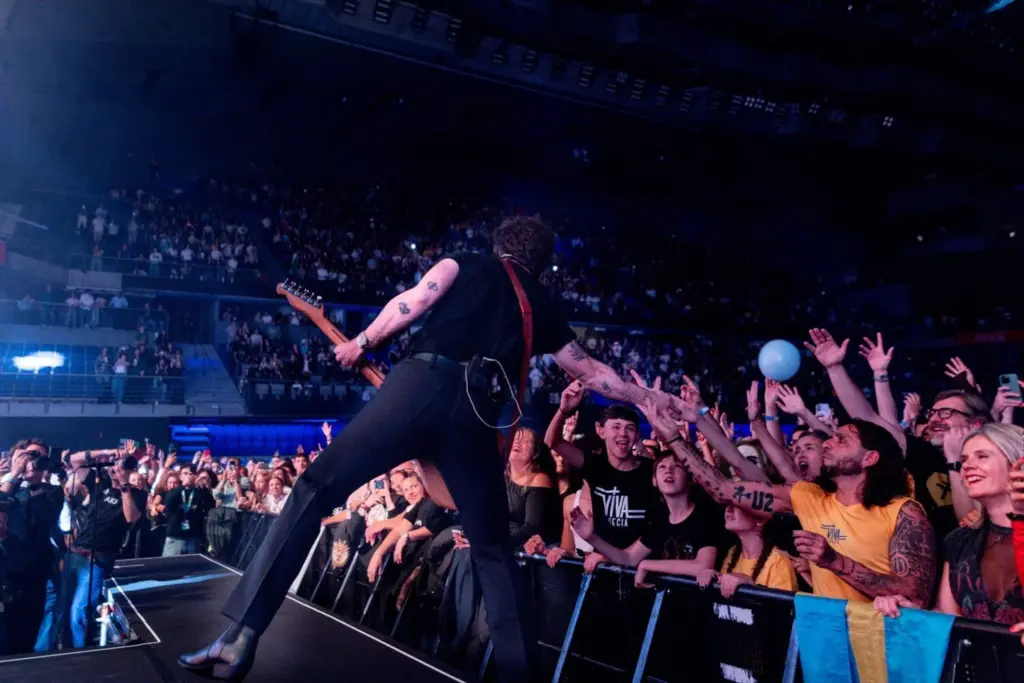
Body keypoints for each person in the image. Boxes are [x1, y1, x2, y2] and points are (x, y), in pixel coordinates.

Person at [179, 214, 672, 682]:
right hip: (478, 416)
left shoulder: (465, 262)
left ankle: (240, 635)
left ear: (499, 246)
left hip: (422, 384)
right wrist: (648, 398)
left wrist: (362, 342)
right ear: (540, 262)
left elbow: (412, 302)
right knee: (495, 551)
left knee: (314, 486)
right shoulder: (540, 302)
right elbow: (590, 371)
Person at [644, 386, 938, 607]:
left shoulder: (904, 511)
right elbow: (723, 488)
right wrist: (674, 438)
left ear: (869, 458)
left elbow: (915, 594)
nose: (828, 444)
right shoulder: (809, 497)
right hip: (829, 644)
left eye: (841, 440)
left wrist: (835, 561)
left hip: (889, 647)